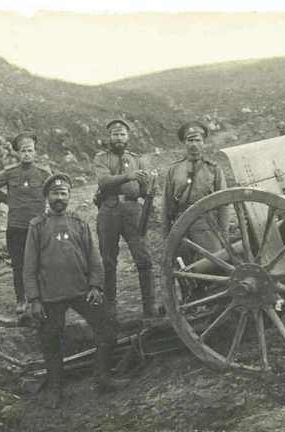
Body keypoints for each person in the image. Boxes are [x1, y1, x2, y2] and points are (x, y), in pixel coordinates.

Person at [24, 173, 130, 408]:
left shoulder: (79, 223)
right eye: (55, 193)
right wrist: (34, 299)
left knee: (106, 326)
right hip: (50, 295)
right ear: (47, 197)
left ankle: (103, 378)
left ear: (69, 196)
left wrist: (95, 286)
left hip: (81, 290)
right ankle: (55, 389)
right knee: (51, 340)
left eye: (63, 193)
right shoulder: (37, 226)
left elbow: (94, 258)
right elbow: (29, 267)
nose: (59, 197)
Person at [93, 119, 158, 318]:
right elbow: (103, 181)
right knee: (109, 261)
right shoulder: (102, 158)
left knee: (143, 258)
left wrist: (150, 187)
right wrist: (129, 176)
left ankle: (150, 306)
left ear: (128, 137)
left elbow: (143, 189)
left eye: (122, 134)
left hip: (132, 211)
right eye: (115, 134)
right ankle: (110, 307)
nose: (119, 138)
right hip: (109, 211)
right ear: (109, 137)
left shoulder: (136, 159)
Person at [0, 131, 52, 315]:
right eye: (23, 151)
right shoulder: (10, 172)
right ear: (18, 153)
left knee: (40, 263)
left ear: (35, 152)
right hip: (16, 227)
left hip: (38, 226)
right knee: (18, 265)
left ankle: (39, 298)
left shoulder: (44, 173)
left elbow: (56, 191)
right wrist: (7, 201)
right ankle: (21, 299)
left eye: (30, 150)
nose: (27, 154)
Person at [162, 121, 228, 254]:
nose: (194, 144)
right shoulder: (174, 170)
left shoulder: (213, 169)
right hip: (181, 227)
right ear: (184, 143)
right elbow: (166, 204)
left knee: (213, 267)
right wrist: (167, 234)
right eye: (190, 140)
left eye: (197, 140)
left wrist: (223, 233)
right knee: (183, 269)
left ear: (203, 142)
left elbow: (224, 204)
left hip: (207, 227)